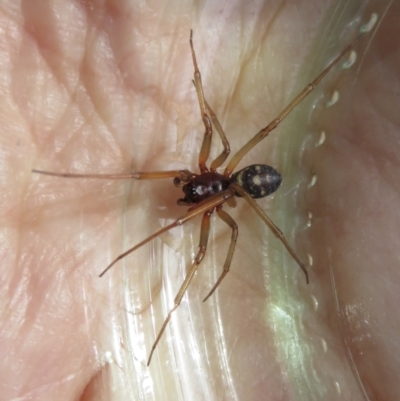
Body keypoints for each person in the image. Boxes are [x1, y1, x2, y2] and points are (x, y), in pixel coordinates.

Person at [2, 1, 399, 400]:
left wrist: (275, 256)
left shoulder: (219, 187)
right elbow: (209, 139)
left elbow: (206, 204)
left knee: (233, 181)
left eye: (192, 191)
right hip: (230, 182)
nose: (187, 193)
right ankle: (76, 186)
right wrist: (197, 83)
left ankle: (168, 311)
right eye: (191, 190)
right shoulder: (209, 175)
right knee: (194, 212)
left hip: (237, 183)